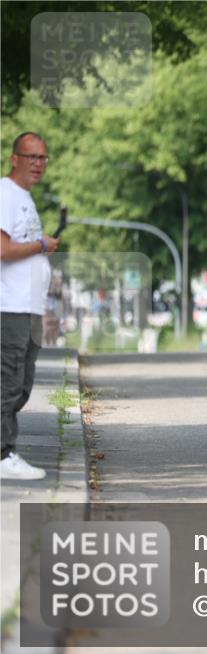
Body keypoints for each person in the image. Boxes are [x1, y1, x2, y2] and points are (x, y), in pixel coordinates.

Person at [1, 132, 60, 480]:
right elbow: (3, 250)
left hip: (30, 307)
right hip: (10, 306)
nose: (38, 163)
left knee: (21, 386)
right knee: (8, 383)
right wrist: (41, 245)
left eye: (43, 158)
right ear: (15, 159)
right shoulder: (5, 194)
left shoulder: (25, 198)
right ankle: (3, 455)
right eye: (31, 157)